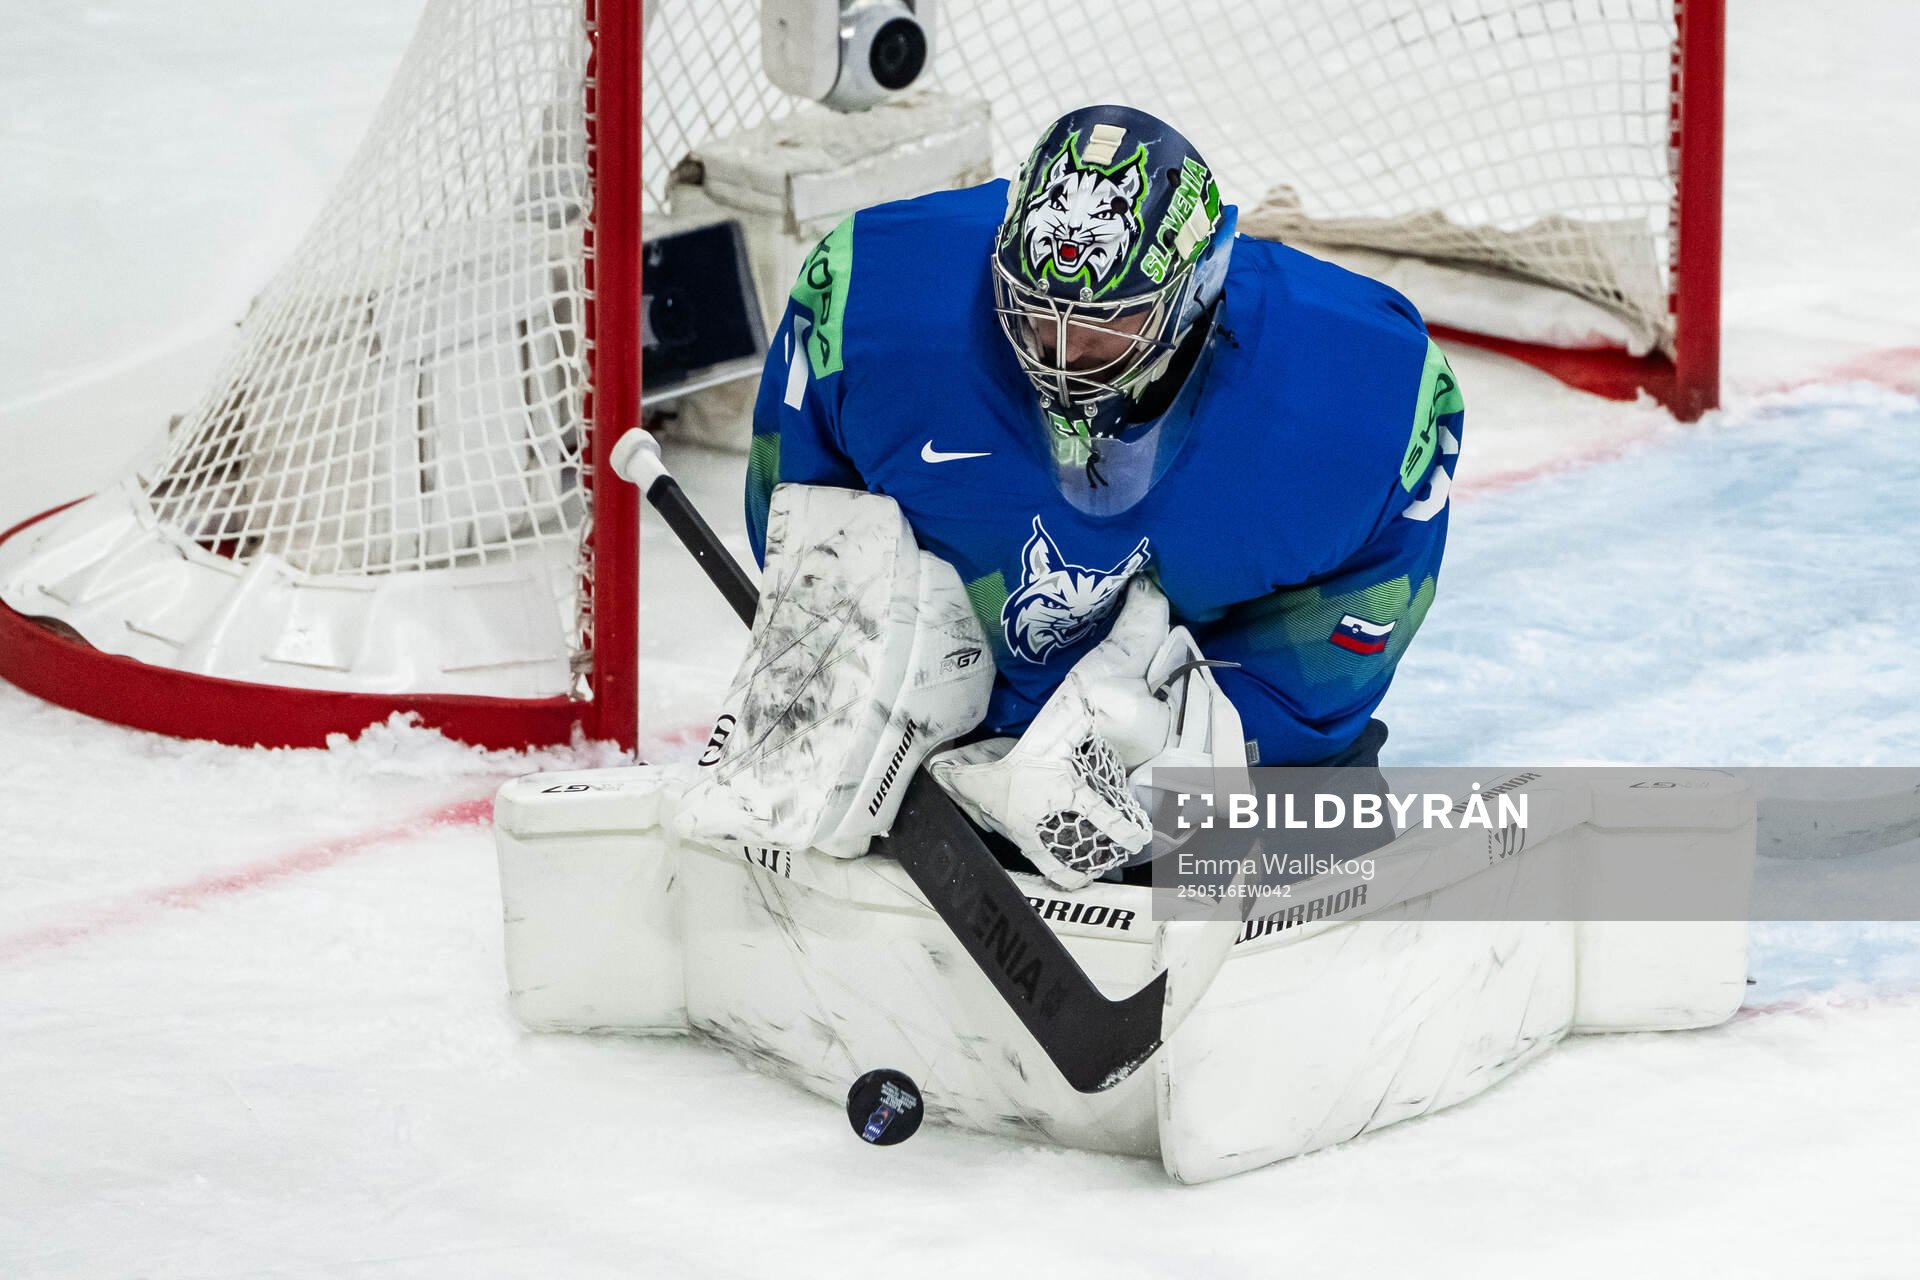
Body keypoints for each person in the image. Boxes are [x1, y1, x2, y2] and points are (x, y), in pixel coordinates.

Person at [703, 103, 1460, 889]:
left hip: (1196, 693)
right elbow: (800, 519)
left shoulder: (1366, 388)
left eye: (1108, 321)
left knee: (1288, 853)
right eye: (1033, 310)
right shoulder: (868, 292)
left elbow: (1364, 606)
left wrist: (1190, 741)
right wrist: (879, 666)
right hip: (952, 709)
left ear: (1196, 292)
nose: (1060, 352)